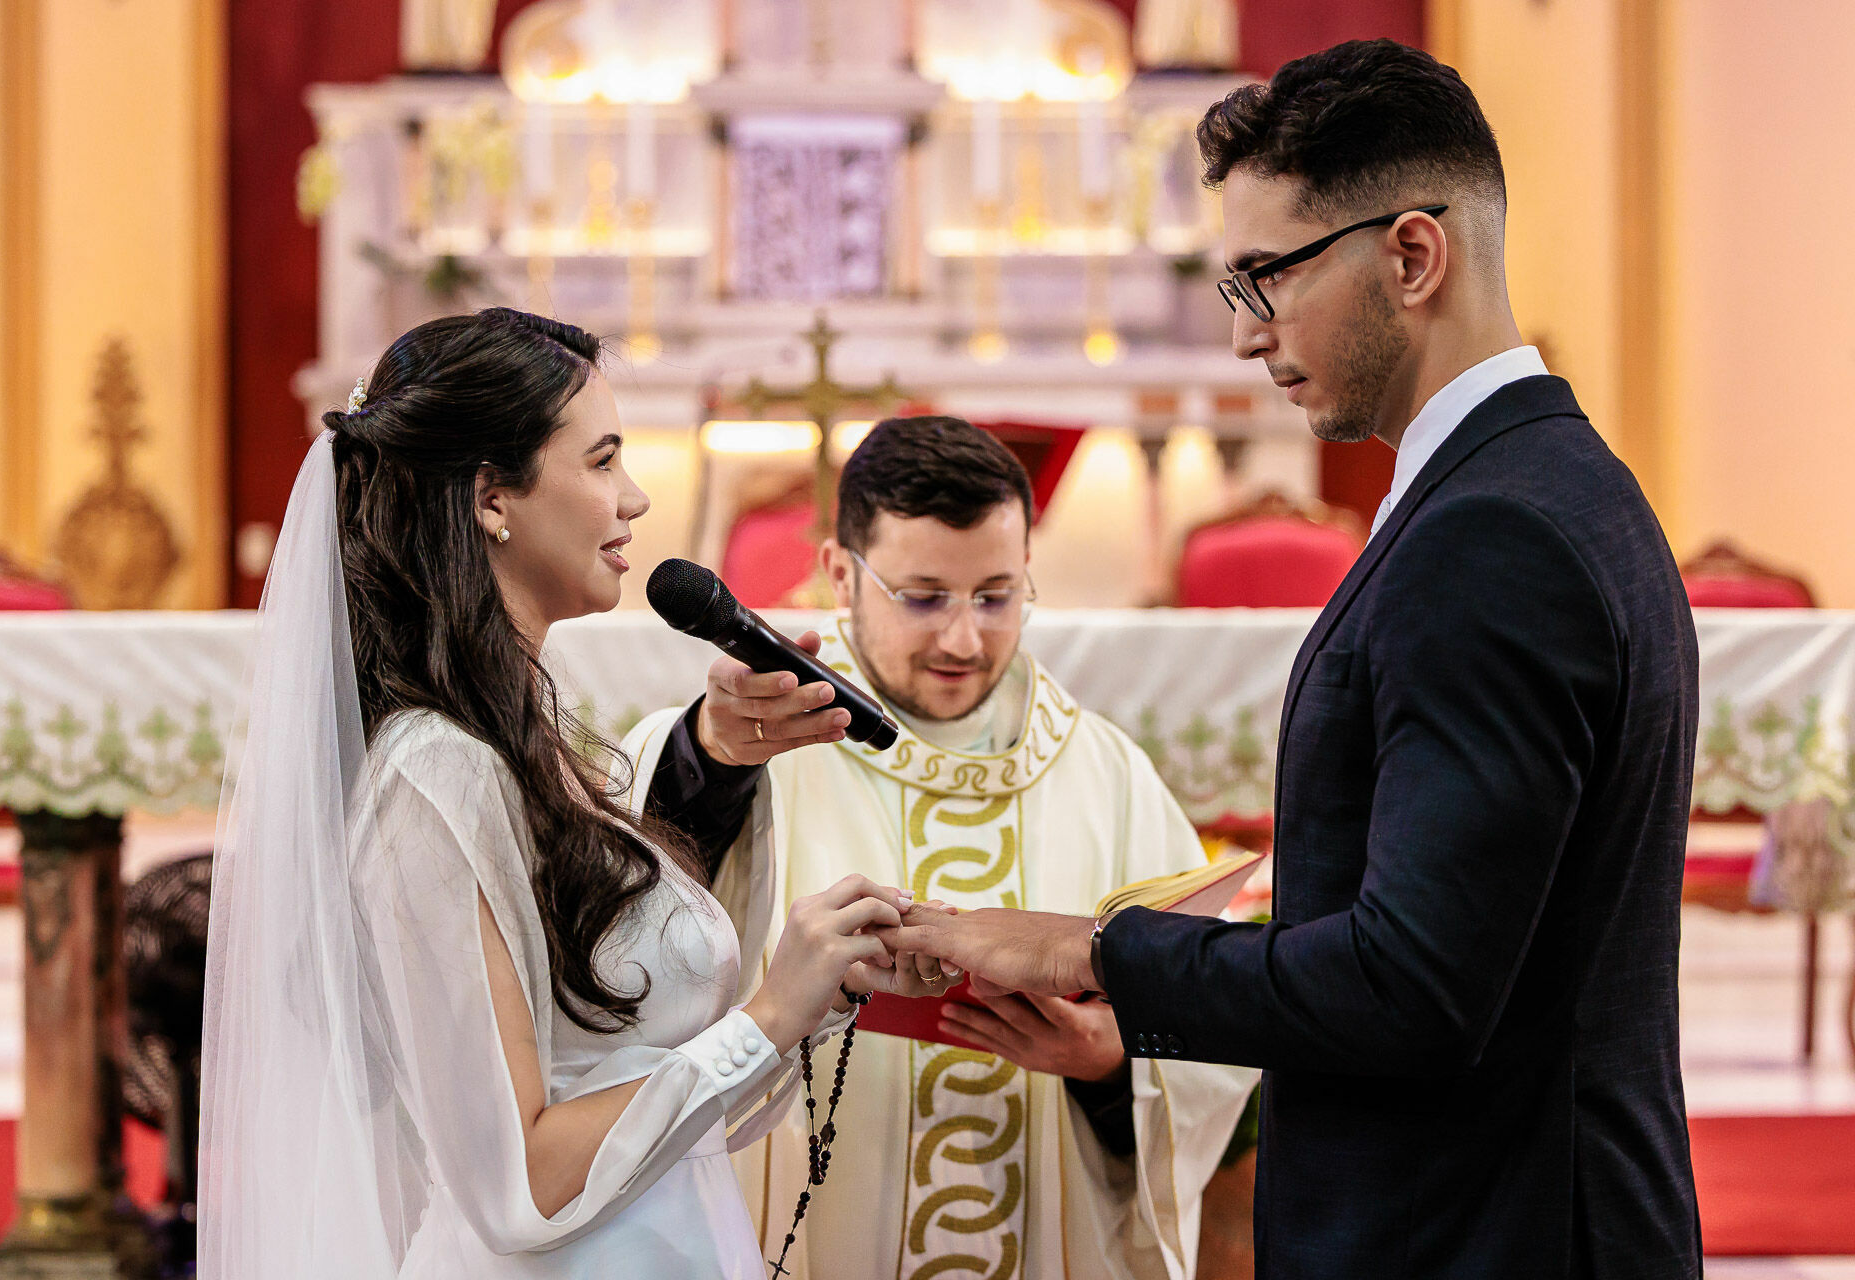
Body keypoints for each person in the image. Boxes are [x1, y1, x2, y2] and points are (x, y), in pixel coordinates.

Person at [882, 40, 1703, 1280]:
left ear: (1412, 255)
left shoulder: (1492, 534)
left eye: (1266, 277)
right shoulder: (1559, 481)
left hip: (1479, 1230)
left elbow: (1413, 987)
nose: (1246, 335)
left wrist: (1088, 948)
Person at [199, 308, 939, 1280]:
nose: (633, 499)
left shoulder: (517, 735)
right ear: (491, 497)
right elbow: (522, 1183)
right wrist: (765, 1013)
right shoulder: (435, 774)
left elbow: (617, 1036)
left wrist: (814, 977)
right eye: (601, 461)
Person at [625, 417, 1258, 1280]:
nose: (964, 639)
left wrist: (1109, 1067)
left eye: (997, 597)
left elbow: (1207, 1045)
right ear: (840, 574)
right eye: (922, 598)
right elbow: (633, 923)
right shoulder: (756, 735)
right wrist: (712, 755)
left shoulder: (1101, 768)